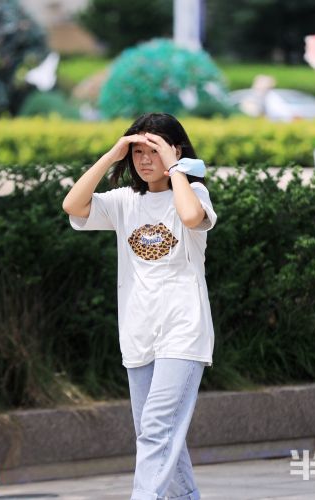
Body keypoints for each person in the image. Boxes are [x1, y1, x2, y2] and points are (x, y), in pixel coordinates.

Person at [62, 112, 217, 500]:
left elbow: (189, 216)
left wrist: (176, 167)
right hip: (138, 333)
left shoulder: (195, 195)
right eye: (138, 152)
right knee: (160, 435)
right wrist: (111, 156)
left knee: (158, 429)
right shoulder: (125, 202)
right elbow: (73, 205)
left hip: (184, 331)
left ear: (174, 151)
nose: (144, 160)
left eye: (154, 150)